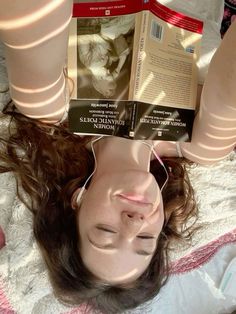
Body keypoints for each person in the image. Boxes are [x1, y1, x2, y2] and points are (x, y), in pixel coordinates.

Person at [0, 1, 235, 313]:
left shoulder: (51, 108)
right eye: (145, 238)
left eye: (106, 231)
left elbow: (29, 18)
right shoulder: (201, 144)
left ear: (77, 201)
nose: (134, 223)